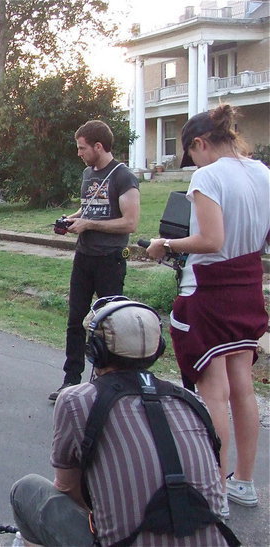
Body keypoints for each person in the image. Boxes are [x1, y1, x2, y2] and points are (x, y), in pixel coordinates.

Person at [11, 297, 230, 546]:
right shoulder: (192, 401)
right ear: (157, 349)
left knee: (26, 491)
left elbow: (67, 489)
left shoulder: (77, 400)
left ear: (96, 351)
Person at [146, 104, 269, 512]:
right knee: (242, 387)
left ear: (199, 143)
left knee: (212, 392)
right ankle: (245, 482)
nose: (192, 163)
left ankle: (215, 488)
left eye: (191, 154)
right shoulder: (263, 173)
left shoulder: (208, 176)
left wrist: (167, 245)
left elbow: (211, 240)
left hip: (210, 289)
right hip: (249, 285)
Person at [49, 120, 140, 402]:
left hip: (109, 259)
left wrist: (88, 224)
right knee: (76, 319)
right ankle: (71, 380)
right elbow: (89, 207)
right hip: (84, 257)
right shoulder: (89, 173)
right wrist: (72, 219)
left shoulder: (123, 176)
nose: (79, 153)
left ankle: (113, 383)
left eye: (82, 148)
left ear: (98, 146)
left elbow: (130, 223)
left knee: (111, 324)